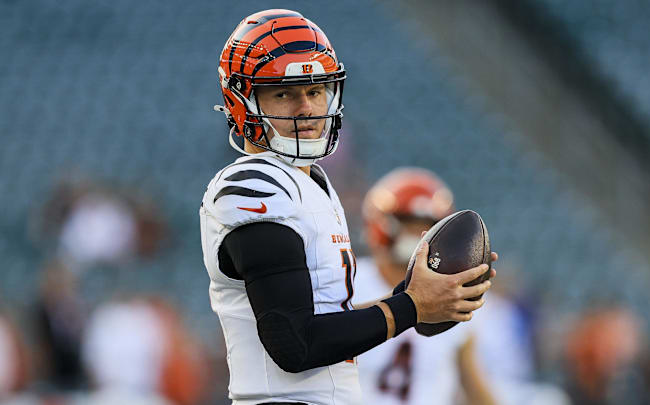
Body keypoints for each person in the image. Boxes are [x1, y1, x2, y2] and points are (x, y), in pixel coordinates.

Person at [200, 9, 496, 405]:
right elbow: (295, 344)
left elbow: (325, 322)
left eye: (315, 90)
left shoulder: (311, 183)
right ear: (243, 99)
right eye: (284, 92)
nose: (305, 108)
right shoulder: (255, 187)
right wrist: (410, 306)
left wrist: (420, 296)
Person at [353, 168, 497, 405]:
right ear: (382, 224)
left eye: (428, 226)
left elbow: (473, 384)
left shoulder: (453, 293)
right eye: (409, 223)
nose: (418, 236)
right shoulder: (351, 281)